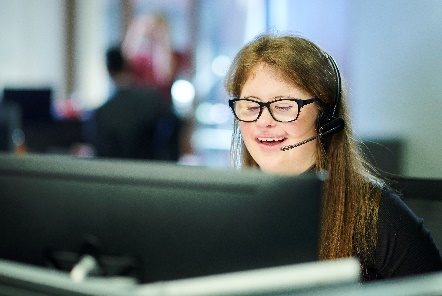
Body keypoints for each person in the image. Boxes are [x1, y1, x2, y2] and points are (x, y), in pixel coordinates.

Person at [224, 33, 442, 281]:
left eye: (283, 106)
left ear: (326, 118)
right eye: (251, 107)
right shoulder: (229, 214)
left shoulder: (376, 216)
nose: (263, 121)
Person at [89, 45, 181, 161]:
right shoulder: (153, 100)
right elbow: (176, 128)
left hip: (116, 176)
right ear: (128, 65)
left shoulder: (101, 114)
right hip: (154, 173)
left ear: (108, 69)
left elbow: (101, 156)